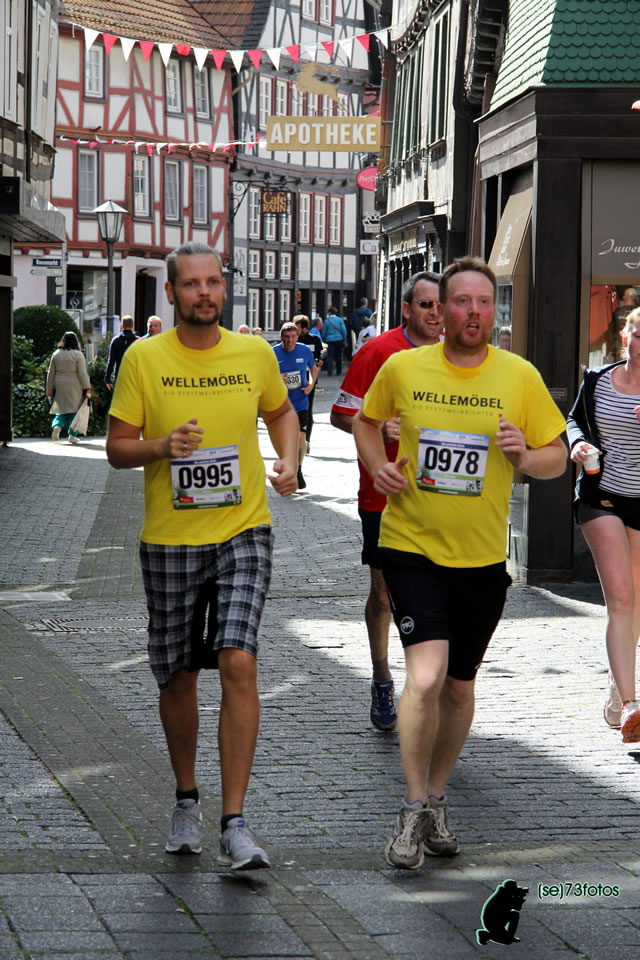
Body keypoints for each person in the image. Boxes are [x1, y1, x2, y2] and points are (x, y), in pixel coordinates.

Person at [352, 256, 567, 870]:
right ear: (440, 310)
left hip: (481, 559)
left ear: (493, 311)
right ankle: (412, 804)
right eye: (461, 301)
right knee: (425, 677)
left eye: (483, 302)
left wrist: (524, 457)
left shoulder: (518, 376)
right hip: (411, 546)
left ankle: (438, 796)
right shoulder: (403, 367)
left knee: (459, 685)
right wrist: (378, 466)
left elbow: (556, 457)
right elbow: (366, 423)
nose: (473, 312)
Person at [105, 242, 299, 869]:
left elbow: (281, 413)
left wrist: (289, 459)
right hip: (171, 539)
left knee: (239, 660)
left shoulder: (253, 354)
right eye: (191, 284)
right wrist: (162, 446)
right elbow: (116, 447)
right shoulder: (144, 358)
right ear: (171, 293)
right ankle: (186, 798)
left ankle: (234, 822)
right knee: (178, 675)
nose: (205, 293)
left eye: (213, 282)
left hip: (244, 530)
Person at [331, 272, 443, 731]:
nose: (435, 314)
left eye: (440, 305)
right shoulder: (377, 352)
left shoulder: (456, 354)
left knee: (437, 596)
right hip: (383, 496)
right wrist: (379, 426)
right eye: (426, 305)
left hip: (441, 497)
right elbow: (341, 414)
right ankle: (381, 677)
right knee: (383, 595)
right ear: (406, 309)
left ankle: (427, 685)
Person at [566, 308, 640, 744]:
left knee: (636, 601)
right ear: (625, 337)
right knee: (621, 597)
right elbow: (574, 419)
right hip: (602, 497)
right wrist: (577, 443)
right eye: (638, 335)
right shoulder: (597, 380)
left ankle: (617, 683)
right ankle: (631, 705)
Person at [273, 321, 318, 490]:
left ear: (297, 337)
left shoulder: (304, 350)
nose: (290, 340)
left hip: (300, 401)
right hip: (281, 403)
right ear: (281, 337)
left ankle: (298, 470)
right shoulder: (273, 352)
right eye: (287, 337)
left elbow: (314, 368)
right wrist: (277, 380)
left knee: (300, 437)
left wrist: (311, 385)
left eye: (293, 336)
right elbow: (265, 374)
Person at [46, 331, 92, 445]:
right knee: (75, 411)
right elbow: (82, 373)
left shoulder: (56, 354)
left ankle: (57, 426)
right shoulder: (78, 355)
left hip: (59, 384)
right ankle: (72, 435)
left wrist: (49, 388)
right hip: (75, 385)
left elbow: (51, 373)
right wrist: (87, 387)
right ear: (76, 342)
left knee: (61, 409)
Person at [294, 314, 323, 452]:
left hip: (309, 378)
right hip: (295, 378)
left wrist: (319, 361)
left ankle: (307, 440)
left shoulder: (314, 340)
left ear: (305, 329)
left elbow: (319, 357)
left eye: (298, 328)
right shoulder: (292, 340)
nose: (295, 331)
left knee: (308, 409)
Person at [105, 315, 138, 390]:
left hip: (120, 375)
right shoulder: (138, 341)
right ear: (132, 326)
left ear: (122, 326)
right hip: (134, 375)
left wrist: (107, 378)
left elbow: (111, 361)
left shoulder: (116, 340)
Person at [323, 307, 347, 377]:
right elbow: (344, 330)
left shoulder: (327, 321)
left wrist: (324, 339)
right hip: (339, 339)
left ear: (330, 313)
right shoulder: (340, 320)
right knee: (338, 355)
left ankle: (330, 371)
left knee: (330, 356)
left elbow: (324, 332)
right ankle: (338, 371)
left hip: (330, 340)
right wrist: (345, 339)